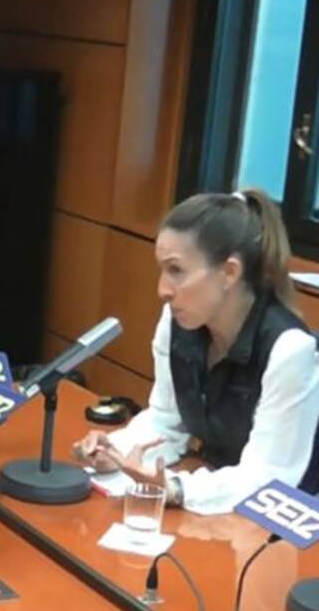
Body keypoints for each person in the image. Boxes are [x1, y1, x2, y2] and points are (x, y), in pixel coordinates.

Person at [72, 188, 319, 514]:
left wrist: (177, 489)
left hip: (288, 522)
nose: (162, 290)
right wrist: (117, 451)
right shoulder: (178, 323)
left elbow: (268, 477)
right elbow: (166, 421)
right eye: (162, 270)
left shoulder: (289, 350)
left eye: (176, 271)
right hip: (219, 498)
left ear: (229, 272)